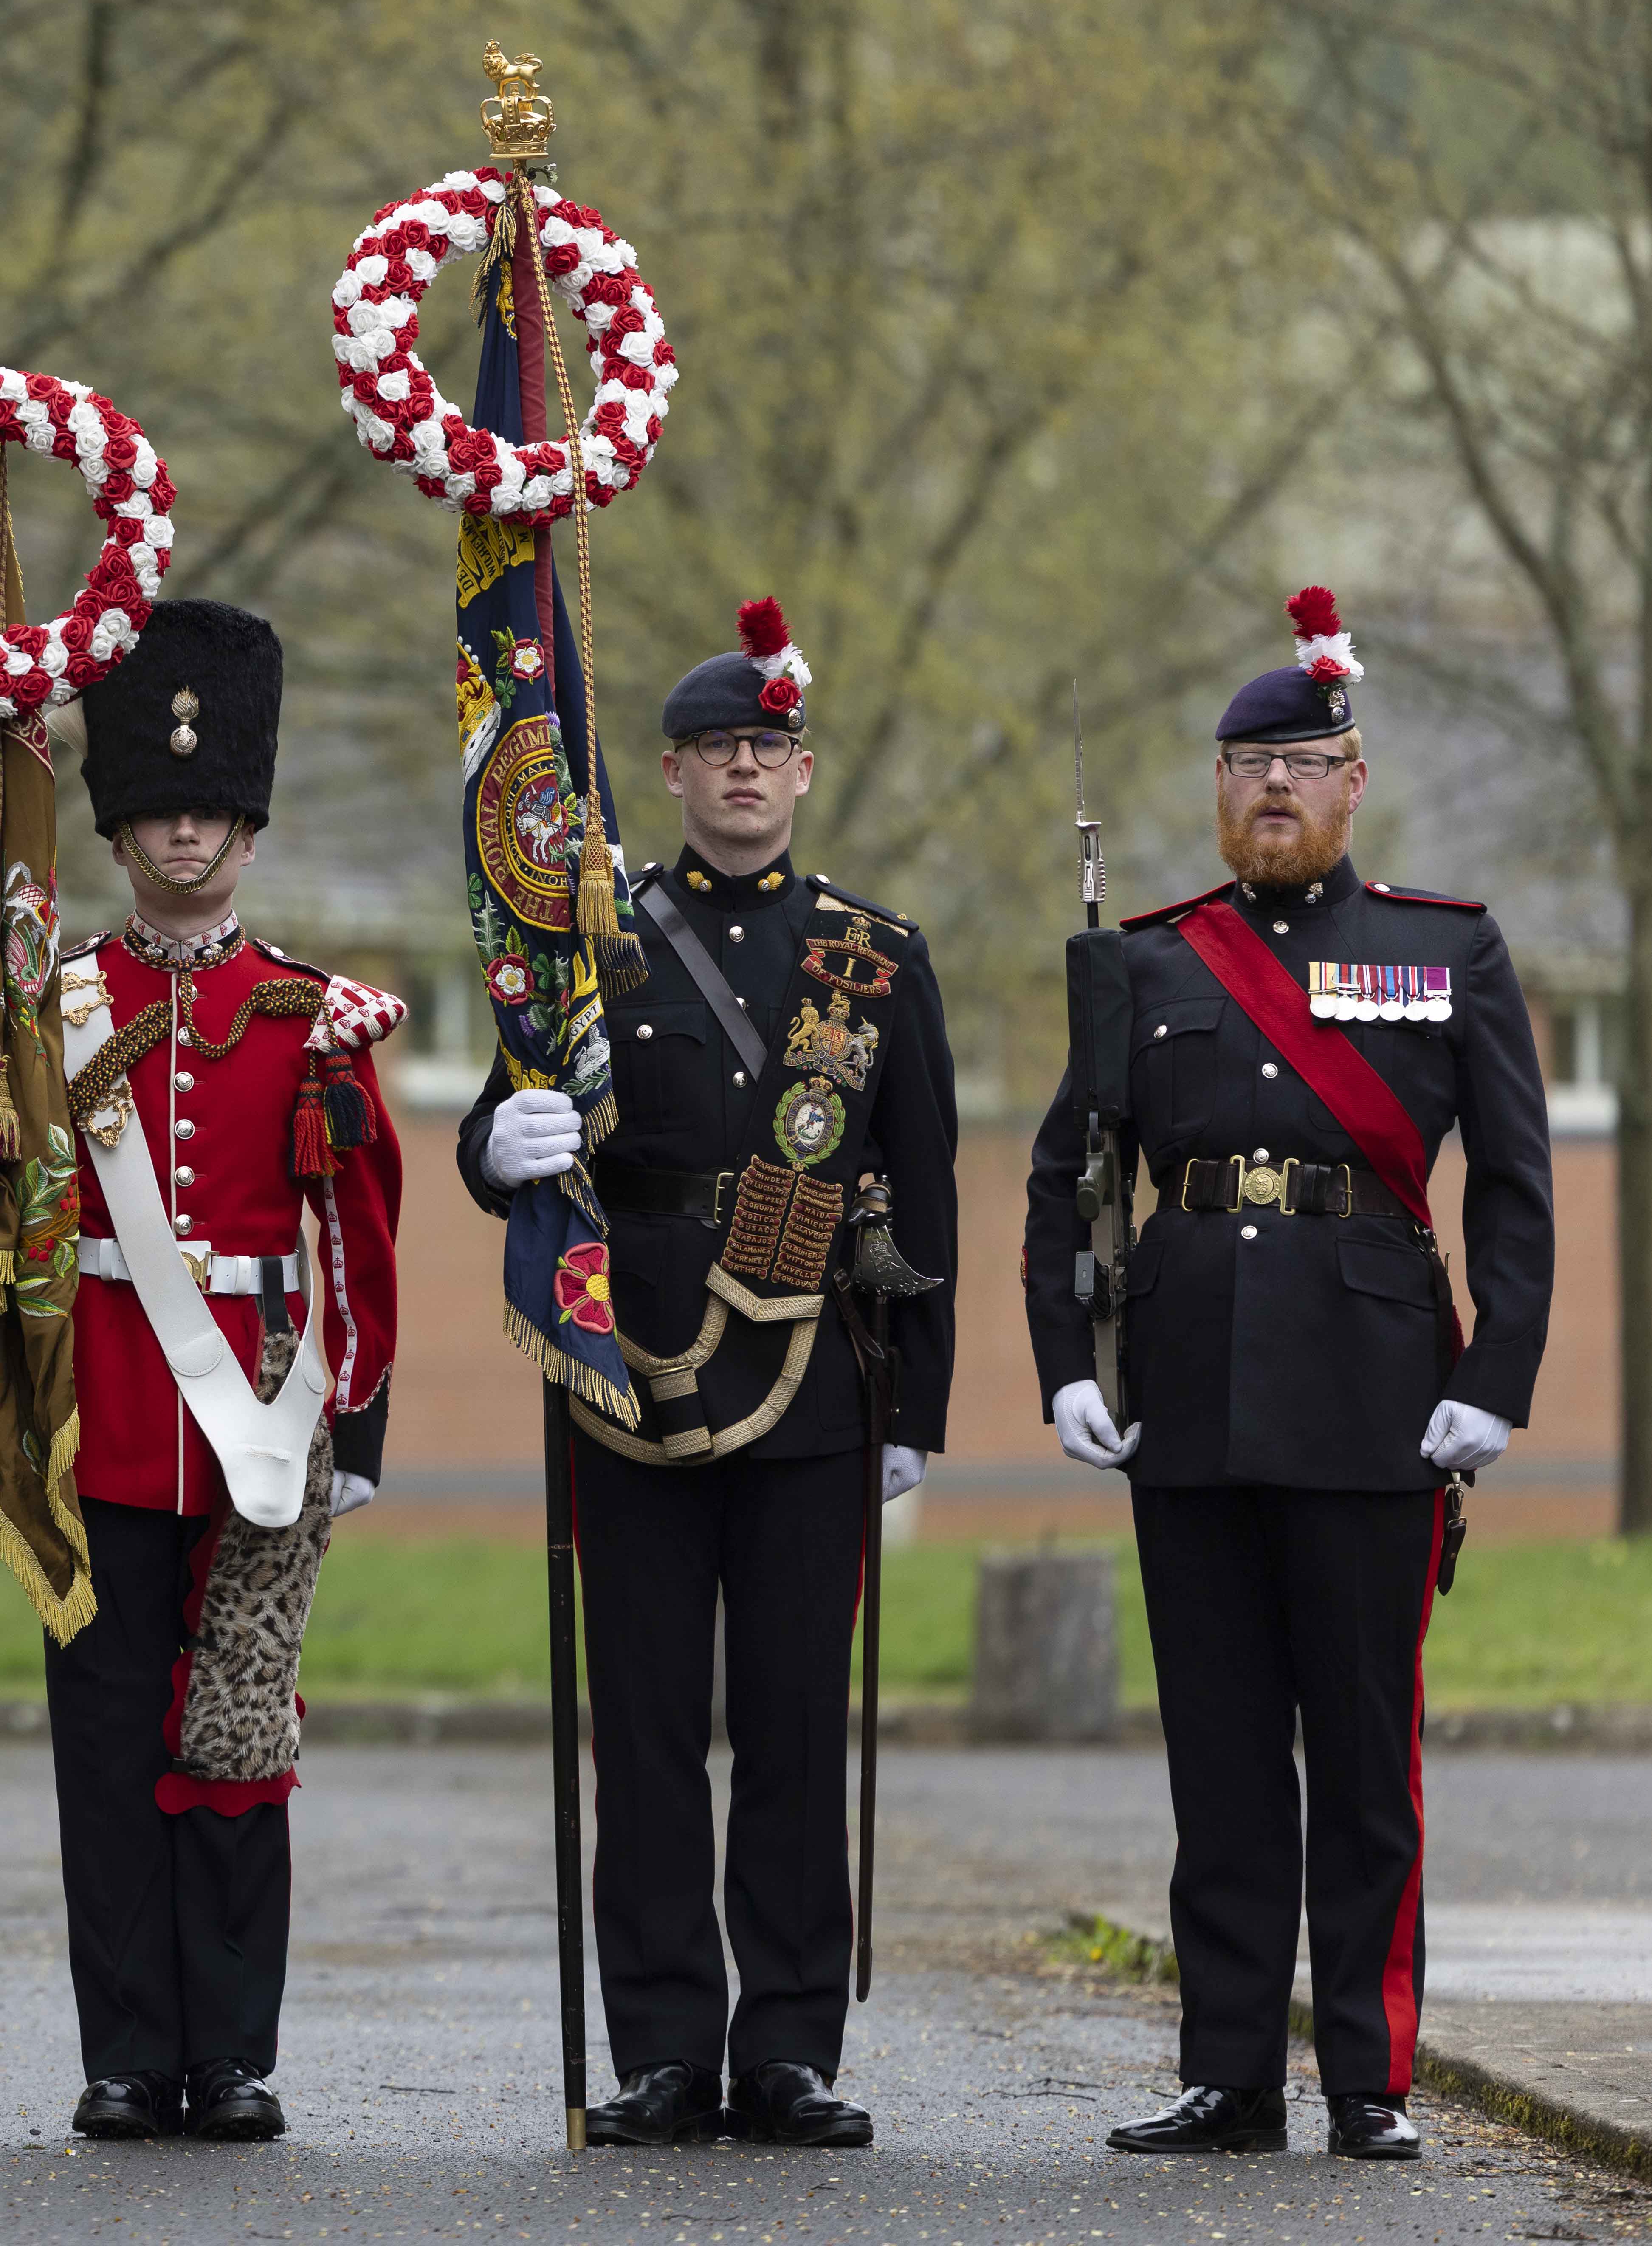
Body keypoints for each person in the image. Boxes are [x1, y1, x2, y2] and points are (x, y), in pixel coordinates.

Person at [1023, 588, 1551, 2164]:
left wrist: (1498, 1376)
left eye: (1302, 763)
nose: (1271, 789)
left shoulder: (1442, 949)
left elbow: (1514, 1186)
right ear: (1216, 787)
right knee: (1224, 1761)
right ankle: (1229, 2075)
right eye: (1247, 765)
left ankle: (1367, 2081)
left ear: (1351, 780)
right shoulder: (1146, 959)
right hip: (1184, 1391)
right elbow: (1068, 1177)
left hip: (1375, 1395)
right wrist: (1066, 1365)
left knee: (1363, 1760)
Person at [456, 598, 958, 2150]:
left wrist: (917, 1417)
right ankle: (668, 2043)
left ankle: (790, 2045)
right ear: (669, 773)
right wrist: (495, 1147)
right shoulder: (588, 942)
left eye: (768, 748)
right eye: (715, 750)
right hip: (630, 1367)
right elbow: (502, 1125)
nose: (743, 772)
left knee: (796, 1723)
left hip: (813, 1380)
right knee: (654, 1724)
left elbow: (924, 1189)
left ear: (803, 771)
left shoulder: (873, 960)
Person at [0, 596, 403, 2146]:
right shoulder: (49, 1009)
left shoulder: (316, 1018)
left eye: (208, 811)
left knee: (244, 1734)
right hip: (104, 1417)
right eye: (155, 812)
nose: (183, 835)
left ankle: (235, 2055)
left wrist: (359, 1424)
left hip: (260, 1413)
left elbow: (364, 1235)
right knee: (107, 1737)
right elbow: (23, 1209)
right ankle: (128, 2054)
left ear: (246, 834)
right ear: (119, 833)